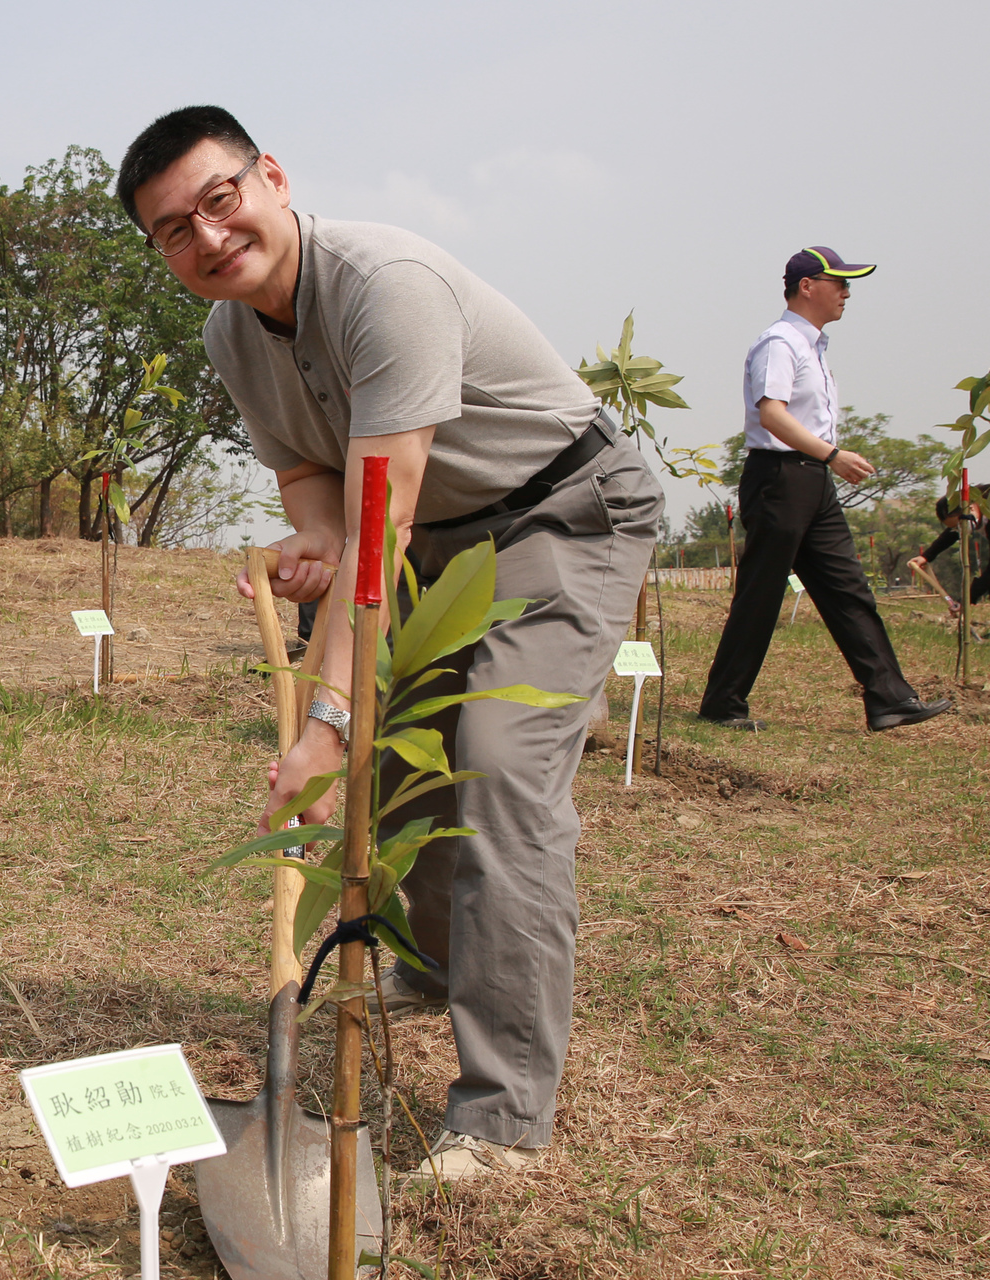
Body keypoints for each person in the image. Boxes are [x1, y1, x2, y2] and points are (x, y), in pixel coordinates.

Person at [119, 106, 663, 1180]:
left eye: (220, 201)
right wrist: (302, 545)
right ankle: (445, 963)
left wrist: (325, 721)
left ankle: (506, 1114)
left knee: (499, 771)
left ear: (270, 177)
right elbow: (327, 507)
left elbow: (381, 529)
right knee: (406, 774)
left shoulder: (386, 287)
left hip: (558, 514)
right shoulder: (232, 333)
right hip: (429, 540)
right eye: (174, 231)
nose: (209, 238)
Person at [697, 249, 951, 732]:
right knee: (761, 594)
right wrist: (833, 455)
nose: (847, 293)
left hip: (813, 480)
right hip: (779, 478)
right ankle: (723, 703)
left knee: (848, 589)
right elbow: (771, 413)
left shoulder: (814, 347)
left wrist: (826, 462)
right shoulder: (780, 343)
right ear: (807, 286)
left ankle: (889, 700)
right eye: (839, 283)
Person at [905, 486, 988, 615]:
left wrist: (967, 599)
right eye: (956, 528)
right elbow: (952, 533)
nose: (959, 531)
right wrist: (926, 556)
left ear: (970, 508)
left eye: (959, 526)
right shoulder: (971, 511)